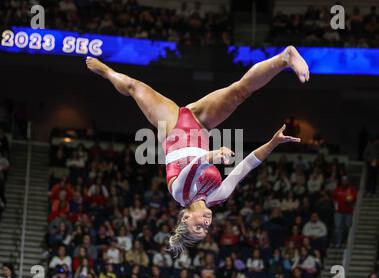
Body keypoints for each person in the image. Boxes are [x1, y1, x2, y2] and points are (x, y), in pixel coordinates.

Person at [86, 45, 309, 257]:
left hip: (172, 126)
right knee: (239, 92)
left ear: (185, 219)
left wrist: (212, 156)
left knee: (134, 87)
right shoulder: (217, 196)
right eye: (205, 230)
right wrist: (273, 143)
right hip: (200, 125)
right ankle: (284, 58)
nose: (206, 225)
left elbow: (192, 169)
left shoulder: (180, 193)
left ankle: (106, 71)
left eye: (198, 228)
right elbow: (247, 166)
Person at [332, 176, 358, 247]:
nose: (344, 182)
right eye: (343, 180)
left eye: (345, 180)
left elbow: (354, 198)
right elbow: (334, 198)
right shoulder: (337, 189)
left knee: (347, 227)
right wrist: (336, 206)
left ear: (348, 181)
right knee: (338, 228)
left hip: (348, 212)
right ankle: (338, 242)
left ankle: (346, 241)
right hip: (339, 212)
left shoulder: (351, 190)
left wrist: (351, 200)